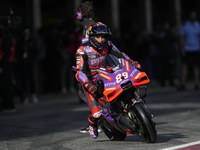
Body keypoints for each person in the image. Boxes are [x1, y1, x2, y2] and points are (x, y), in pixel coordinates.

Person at [75, 22, 141, 139]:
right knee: (97, 113)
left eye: (104, 36)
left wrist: (132, 62)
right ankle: (92, 123)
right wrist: (88, 84)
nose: (101, 39)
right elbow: (79, 72)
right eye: (98, 36)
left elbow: (120, 55)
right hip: (90, 82)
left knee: (123, 87)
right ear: (91, 37)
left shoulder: (108, 45)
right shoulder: (82, 51)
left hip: (105, 76)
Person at [178, 11, 200, 91]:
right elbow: (182, 38)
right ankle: (183, 84)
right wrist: (182, 49)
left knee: (196, 66)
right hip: (187, 49)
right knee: (184, 66)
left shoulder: (198, 25)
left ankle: (196, 83)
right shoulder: (185, 25)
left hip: (196, 49)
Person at [16, 28, 39, 104]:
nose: (26, 34)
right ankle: (24, 96)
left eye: (28, 32)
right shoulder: (21, 41)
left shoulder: (32, 41)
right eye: (25, 32)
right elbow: (18, 51)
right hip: (22, 63)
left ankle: (33, 94)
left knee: (31, 78)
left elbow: (35, 52)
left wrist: (32, 59)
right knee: (23, 80)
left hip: (30, 63)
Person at [0, 17, 15, 112]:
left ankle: (10, 105)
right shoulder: (3, 36)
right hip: (3, 64)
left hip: (5, 65)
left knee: (6, 85)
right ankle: (5, 104)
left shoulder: (7, 37)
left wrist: (2, 66)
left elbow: (7, 53)